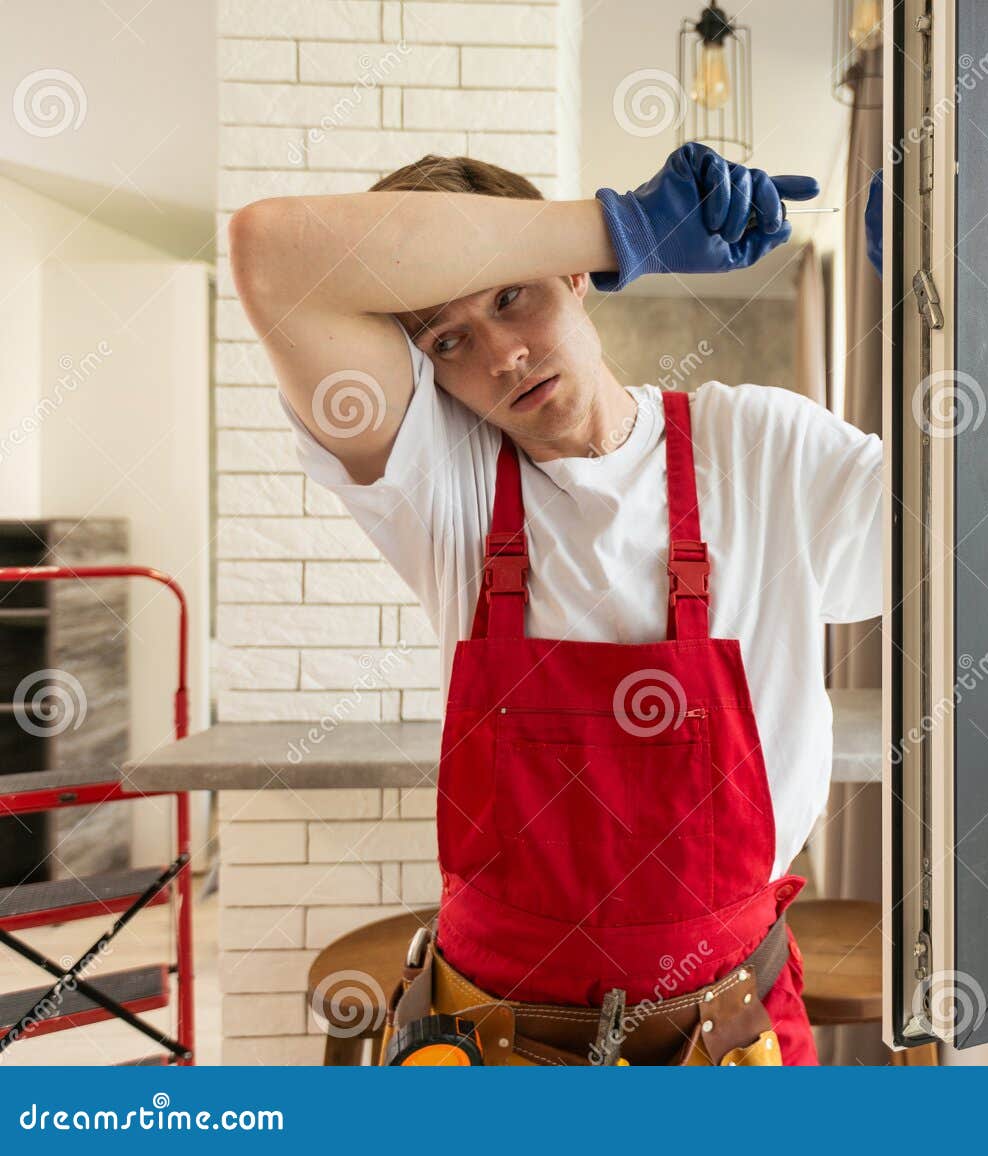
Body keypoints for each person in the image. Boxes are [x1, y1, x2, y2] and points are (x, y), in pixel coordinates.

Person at [228, 144, 887, 1066]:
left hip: (732, 1038)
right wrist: (625, 226)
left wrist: (956, 306)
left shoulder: (762, 447)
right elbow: (269, 251)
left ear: (576, 277)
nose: (502, 354)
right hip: (494, 1046)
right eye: (447, 340)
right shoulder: (443, 483)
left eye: (511, 296)